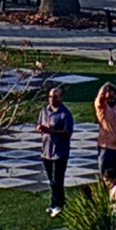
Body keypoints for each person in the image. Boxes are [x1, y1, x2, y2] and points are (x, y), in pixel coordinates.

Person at [37, 87, 74, 217]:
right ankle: (55, 203)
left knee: (57, 179)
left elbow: (68, 132)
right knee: (51, 180)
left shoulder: (65, 114)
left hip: (60, 151)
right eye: (50, 96)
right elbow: (39, 124)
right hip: (46, 150)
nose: (52, 99)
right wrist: (40, 128)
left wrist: (52, 131)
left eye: (55, 97)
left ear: (61, 98)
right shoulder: (44, 111)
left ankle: (59, 204)